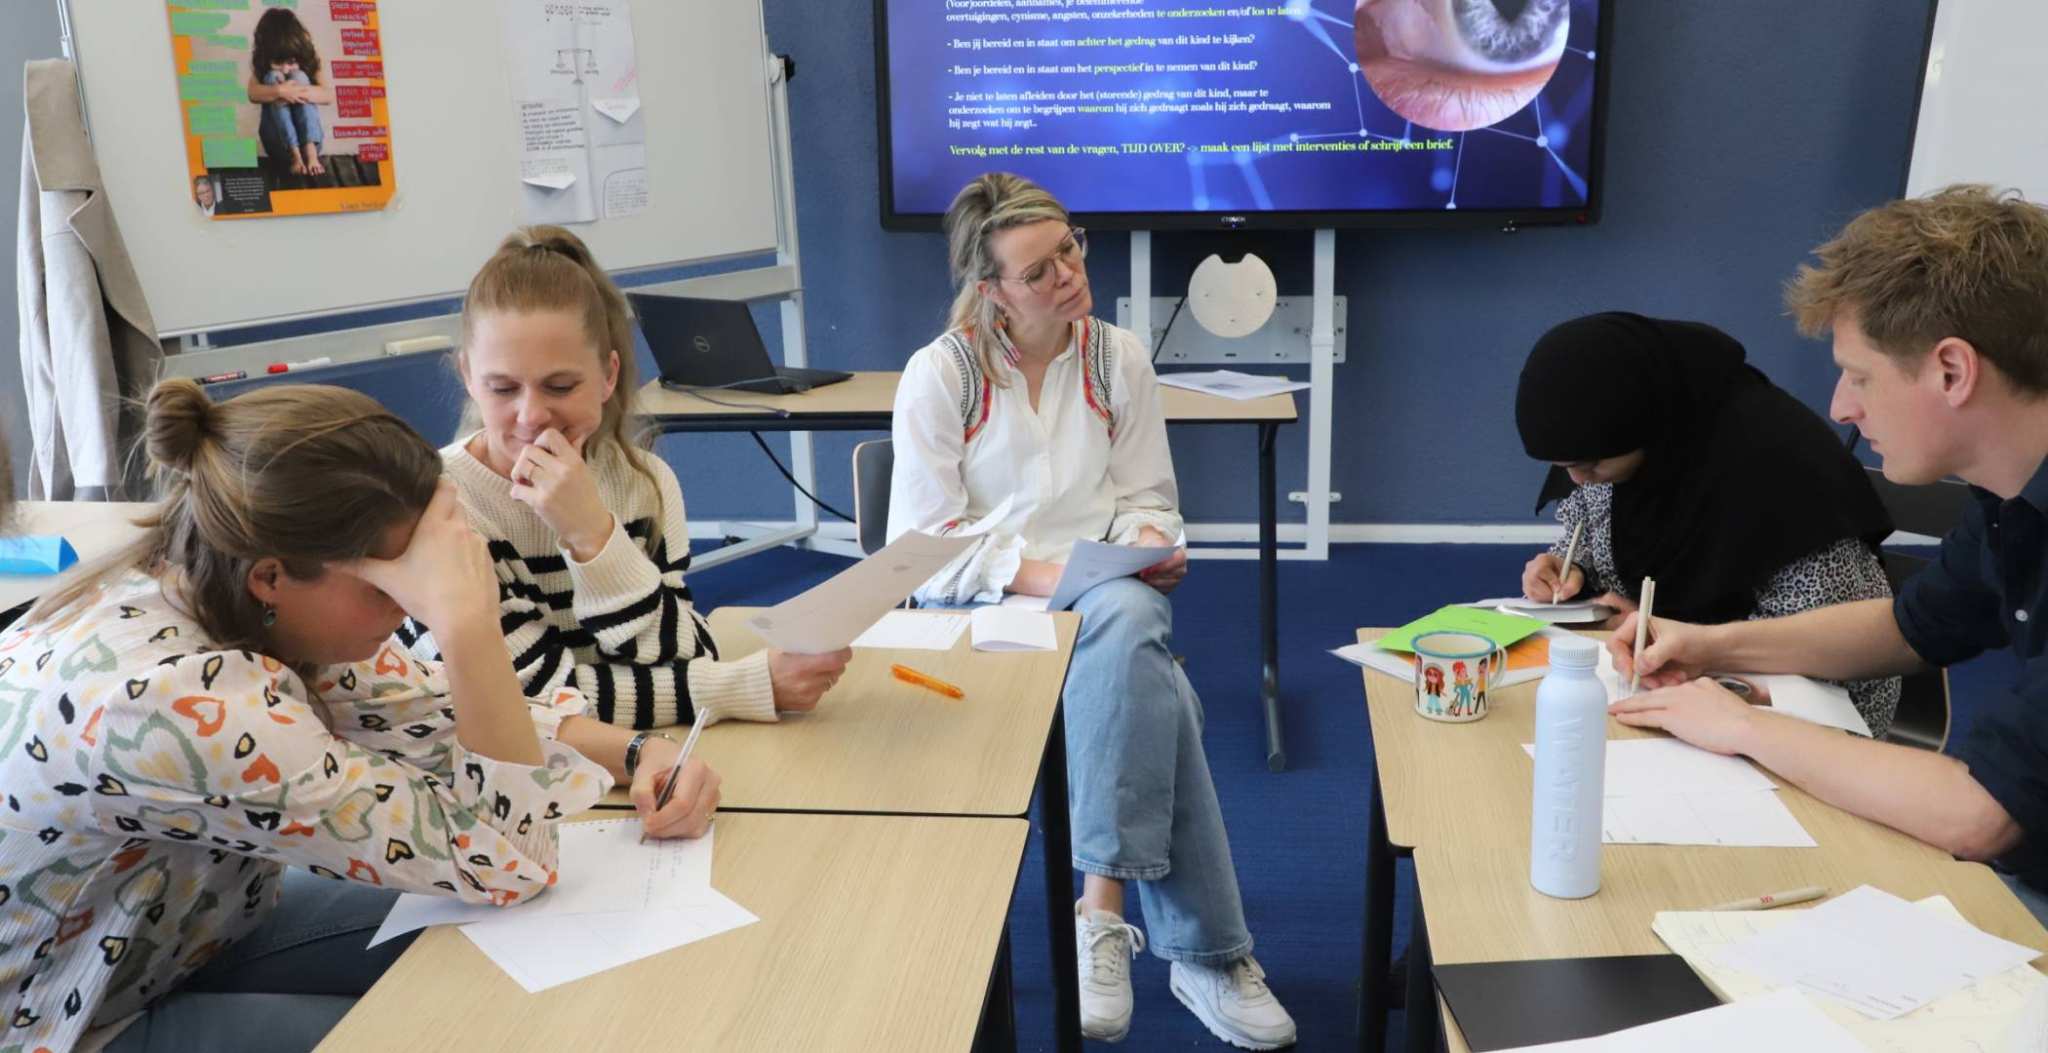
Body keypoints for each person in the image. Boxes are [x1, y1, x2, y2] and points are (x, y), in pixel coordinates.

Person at [0, 379, 720, 1053]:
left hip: (186, 933)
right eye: (392, 586)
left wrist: (634, 752)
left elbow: (423, 707)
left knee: (507, 952)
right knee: (457, 1029)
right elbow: (513, 859)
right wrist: (466, 621)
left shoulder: (227, 586)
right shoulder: (184, 705)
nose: (408, 607)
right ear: (273, 577)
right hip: (77, 1015)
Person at [888, 173, 1296, 1049]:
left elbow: (1147, 492)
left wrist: (1145, 544)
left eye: (1071, 247)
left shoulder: (1119, 356)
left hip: (1099, 610)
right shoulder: (940, 374)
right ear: (989, 286)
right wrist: (1057, 574)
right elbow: (924, 547)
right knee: (1166, 693)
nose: (1069, 275)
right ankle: (1202, 951)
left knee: (1128, 623)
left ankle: (1104, 915)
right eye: (1038, 270)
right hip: (976, 621)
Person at [1607, 185, 2048, 924]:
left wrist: (1742, 726)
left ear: (1952, 370)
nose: (1842, 406)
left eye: (1861, 374)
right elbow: (1907, 629)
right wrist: (1712, 644)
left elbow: (1980, 812)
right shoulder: (2009, 496)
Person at [400, 226, 849, 754]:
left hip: (640, 754)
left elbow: (684, 647)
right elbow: (531, 700)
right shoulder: (437, 506)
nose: (531, 415)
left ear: (609, 375)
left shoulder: (645, 484)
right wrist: (735, 687)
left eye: (561, 386)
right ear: (469, 377)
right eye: (503, 388)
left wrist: (593, 534)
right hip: (515, 773)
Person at [1514, 311, 1901, 734]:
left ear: (1644, 423)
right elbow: (1589, 533)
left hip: (1808, 713)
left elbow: (1823, 653)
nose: (1576, 479)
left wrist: (1673, 633)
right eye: (1563, 466)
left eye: (1587, 464)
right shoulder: (1615, 443)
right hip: (1659, 684)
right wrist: (1568, 569)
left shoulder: (1779, 473)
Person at [247, 8, 328, 177]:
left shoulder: (308, 57)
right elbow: (252, 93)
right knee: (272, 76)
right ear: (267, 55)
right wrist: (280, 91)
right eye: (277, 62)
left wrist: (298, 91)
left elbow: (328, 95)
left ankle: (310, 153)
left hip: (311, 141)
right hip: (278, 144)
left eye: (291, 62)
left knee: (299, 75)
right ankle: (295, 155)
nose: (285, 68)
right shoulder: (263, 63)